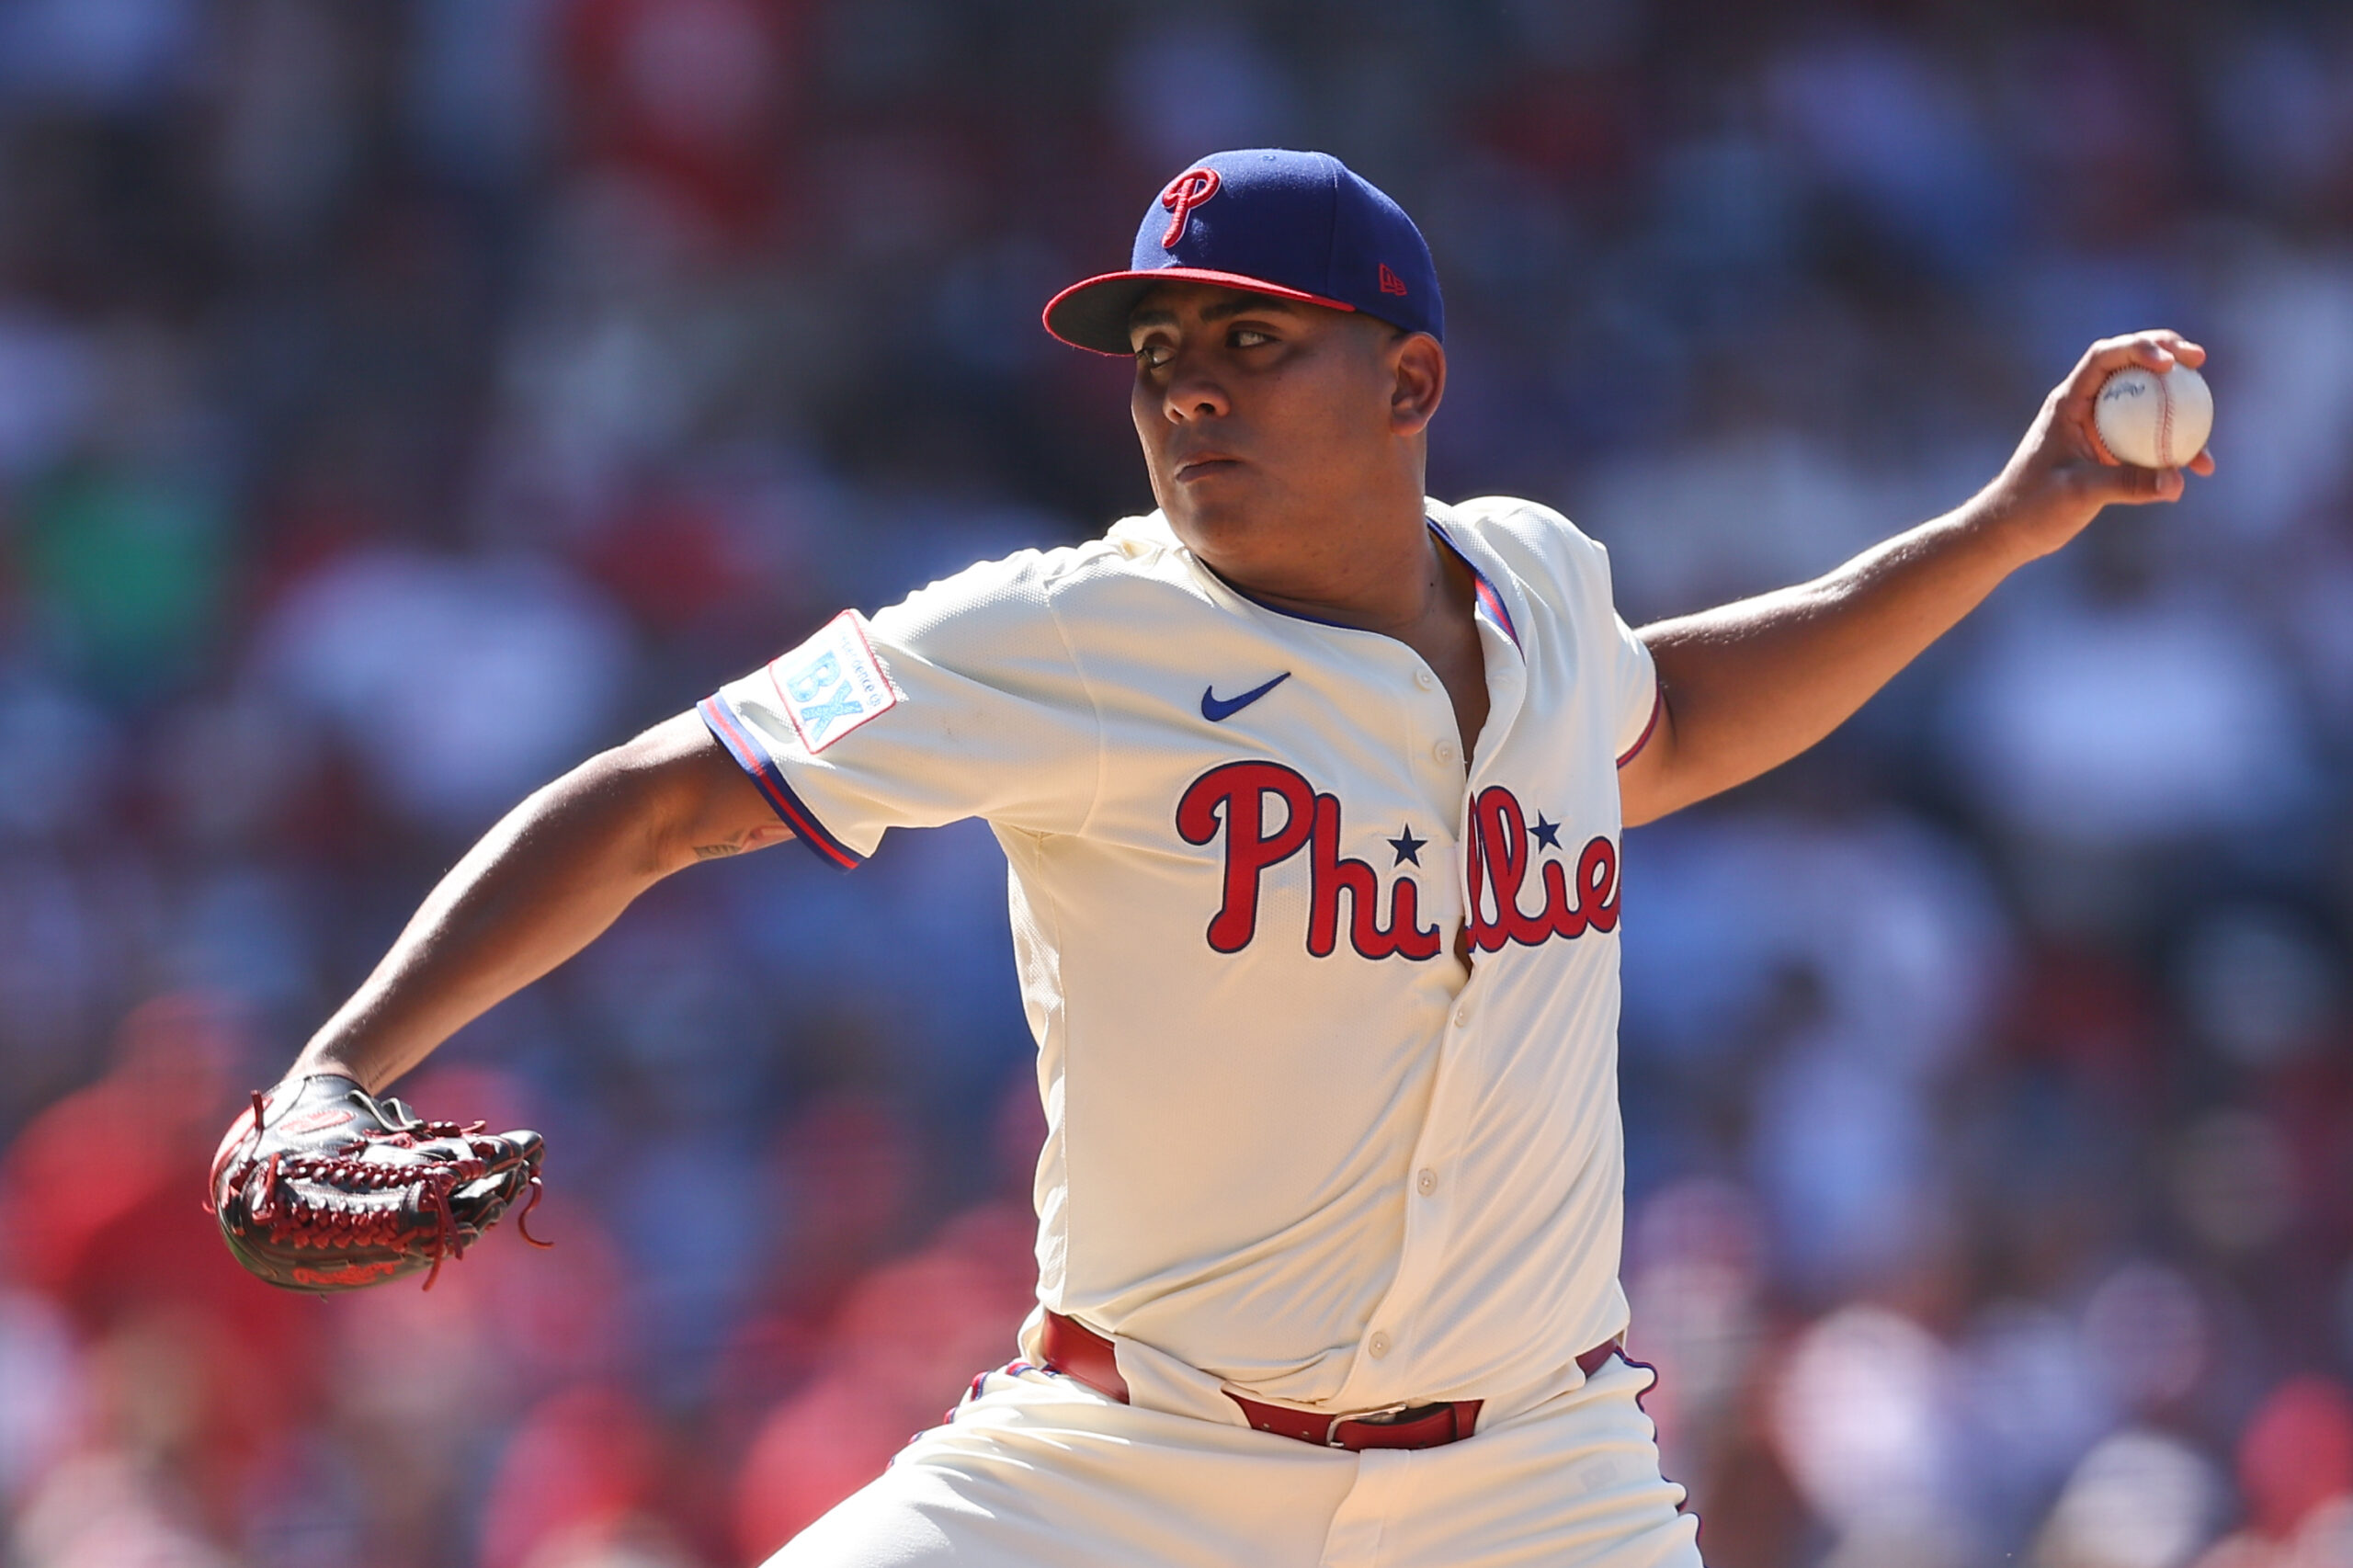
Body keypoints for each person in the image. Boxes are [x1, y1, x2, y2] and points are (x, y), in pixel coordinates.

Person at [269, 149, 2211, 1566]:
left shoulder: (1533, 585)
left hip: (1530, 1485)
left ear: (1406, 383)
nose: (1185, 383)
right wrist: (335, 1070)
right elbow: (659, 793)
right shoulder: (1058, 635)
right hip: (1127, 1467)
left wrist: (2006, 519)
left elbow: (1673, 723)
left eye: (1247, 337)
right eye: (1155, 350)